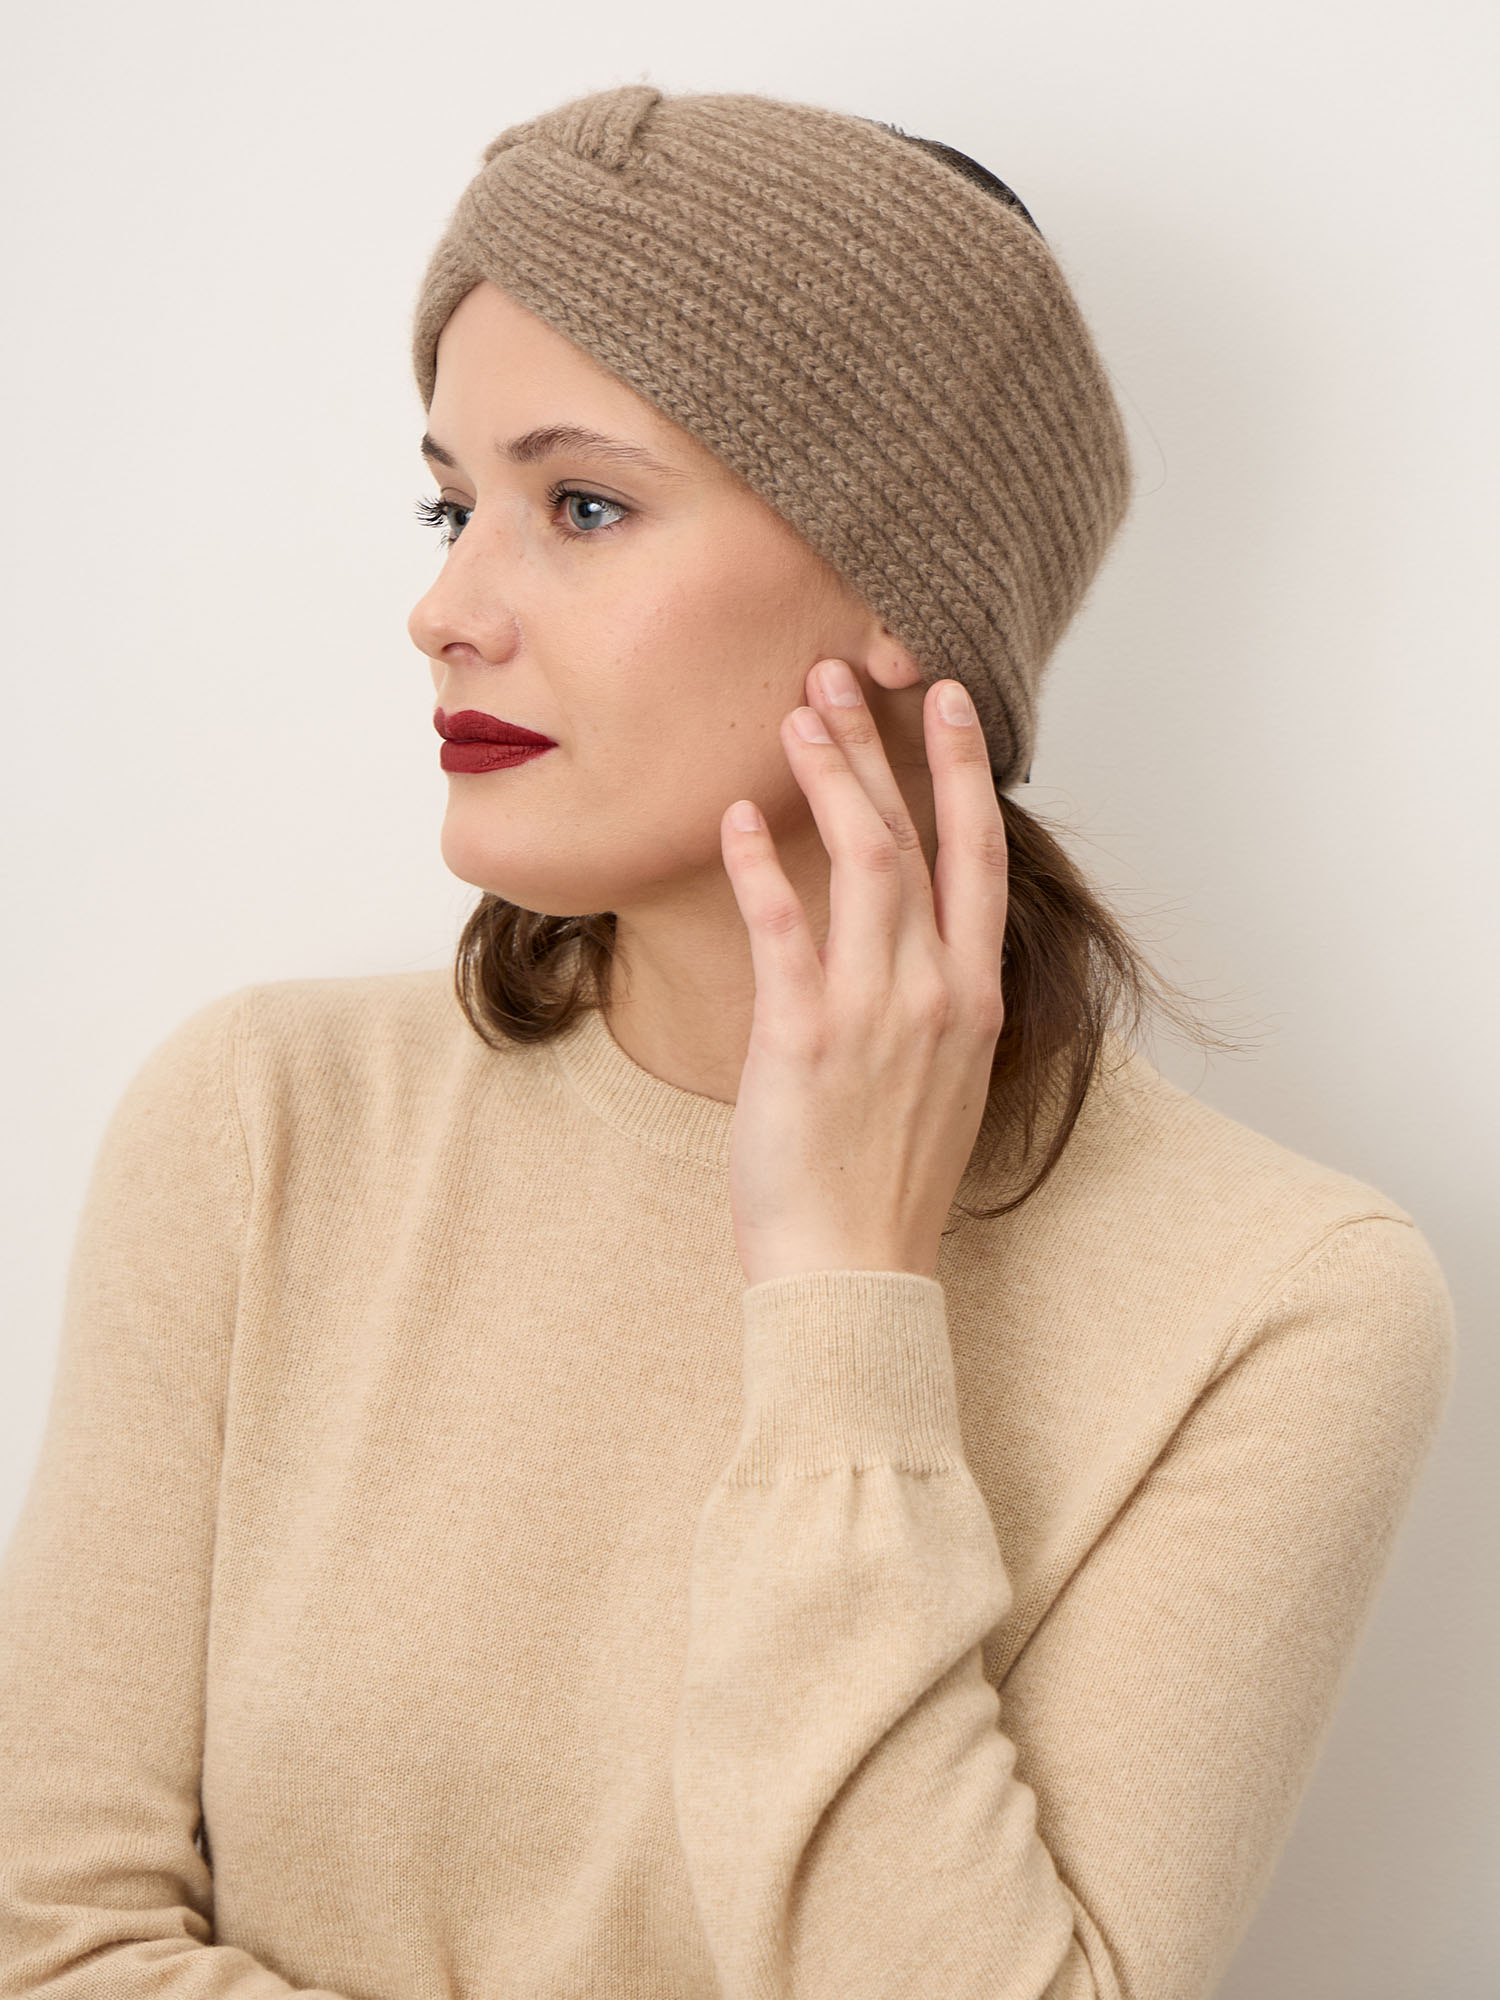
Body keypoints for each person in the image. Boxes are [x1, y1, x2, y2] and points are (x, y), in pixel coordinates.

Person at [0, 84, 1456, 2000]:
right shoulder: (264, 1127)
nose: (442, 608)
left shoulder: (1281, 1305)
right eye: (451, 503)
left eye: (582, 505)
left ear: (910, 595)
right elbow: (49, 1942)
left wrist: (846, 1297)